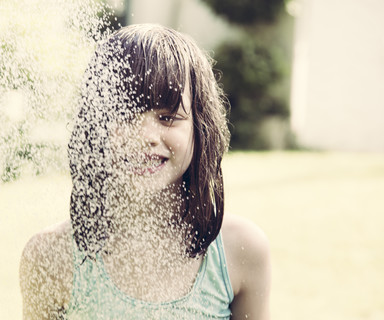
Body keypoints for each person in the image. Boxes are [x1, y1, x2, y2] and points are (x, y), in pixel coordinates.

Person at [20, 24, 271, 320]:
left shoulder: (239, 251)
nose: (145, 135)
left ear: (199, 130)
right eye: (125, 114)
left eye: (167, 117)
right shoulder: (51, 256)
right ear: (94, 125)